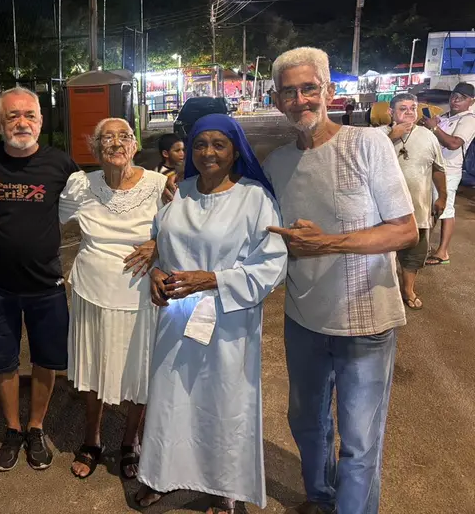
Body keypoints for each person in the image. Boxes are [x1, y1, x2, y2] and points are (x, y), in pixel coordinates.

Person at [264, 47, 418, 514]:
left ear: (329, 91)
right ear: (276, 100)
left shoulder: (367, 144)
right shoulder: (276, 164)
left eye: (309, 88)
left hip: (364, 320)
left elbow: (405, 229)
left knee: (359, 440)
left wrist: (327, 244)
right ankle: (320, 496)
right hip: (303, 317)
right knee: (307, 421)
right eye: (289, 92)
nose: (300, 99)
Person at [135, 114, 288, 514]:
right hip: (177, 319)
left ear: (236, 150)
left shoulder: (256, 198)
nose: (208, 153)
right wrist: (154, 274)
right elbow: (161, 246)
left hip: (228, 323)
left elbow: (271, 264)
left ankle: (225, 489)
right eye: (201, 144)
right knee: (171, 401)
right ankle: (162, 476)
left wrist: (214, 279)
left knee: (223, 403)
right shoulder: (179, 194)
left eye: (219, 144)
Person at [0, 87, 79, 473]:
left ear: (41, 122)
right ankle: (12, 429)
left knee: (46, 361)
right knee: (3, 363)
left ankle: (36, 427)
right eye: (12, 116)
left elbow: (101, 196)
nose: (22, 122)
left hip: (46, 286)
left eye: (29, 115)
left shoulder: (61, 165)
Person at [59, 118, 168, 480]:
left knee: (139, 370)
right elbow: (46, 222)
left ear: (135, 146)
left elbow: (183, 226)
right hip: (92, 289)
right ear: (94, 148)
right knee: (93, 367)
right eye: (107, 137)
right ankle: (91, 439)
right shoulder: (80, 185)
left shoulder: (158, 184)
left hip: (141, 291)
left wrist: (158, 243)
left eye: (124, 136)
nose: (116, 143)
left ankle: (130, 440)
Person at [382, 92, 446, 310]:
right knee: (381, 255)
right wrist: (392, 135)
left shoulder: (428, 136)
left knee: (414, 254)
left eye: (413, 108)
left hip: (417, 209)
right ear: (391, 112)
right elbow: (362, 160)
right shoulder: (378, 136)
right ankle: (383, 294)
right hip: (384, 212)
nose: (409, 112)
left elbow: (438, 169)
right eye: (403, 108)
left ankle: (407, 290)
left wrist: (443, 197)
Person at [417, 81, 475, 265]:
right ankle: (424, 247)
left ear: (471, 102)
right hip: (433, 168)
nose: (456, 100)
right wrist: (426, 127)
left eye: (462, 98)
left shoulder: (469, 120)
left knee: (445, 208)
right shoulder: (444, 116)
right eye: (454, 96)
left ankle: (443, 252)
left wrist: (434, 128)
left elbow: (454, 143)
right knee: (432, 207)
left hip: (449, 169)